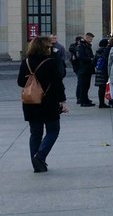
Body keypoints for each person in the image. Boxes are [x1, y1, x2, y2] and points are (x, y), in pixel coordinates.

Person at [18, 36, 67, 172]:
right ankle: (40, 156)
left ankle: (36, 163)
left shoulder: (26, 62)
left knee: (35, 133)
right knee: (53, 130)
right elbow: (58, 83)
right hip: (49, 102)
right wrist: (62, 101)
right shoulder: (51, 62)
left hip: (31, 101)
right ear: (45, 48)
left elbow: (20, 82)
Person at [75, 32, 96, 106]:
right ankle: (83, 101)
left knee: (87, 85)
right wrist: (90, 59)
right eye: (90, 38)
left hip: (87, 68)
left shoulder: (87, 45)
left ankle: (85, 99)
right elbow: (81, 57)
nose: (91, 40)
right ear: (86, 38)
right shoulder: (81, 46)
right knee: (83, 85)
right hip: (83, 68)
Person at [93, 38, 111, 108]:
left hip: (99, 71)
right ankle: (106, 102)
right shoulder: (106, 51)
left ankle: (101, 102)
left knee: (101, 87)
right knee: (106, 87)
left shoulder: (98, 52)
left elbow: (94, 62)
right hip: (105, 71)